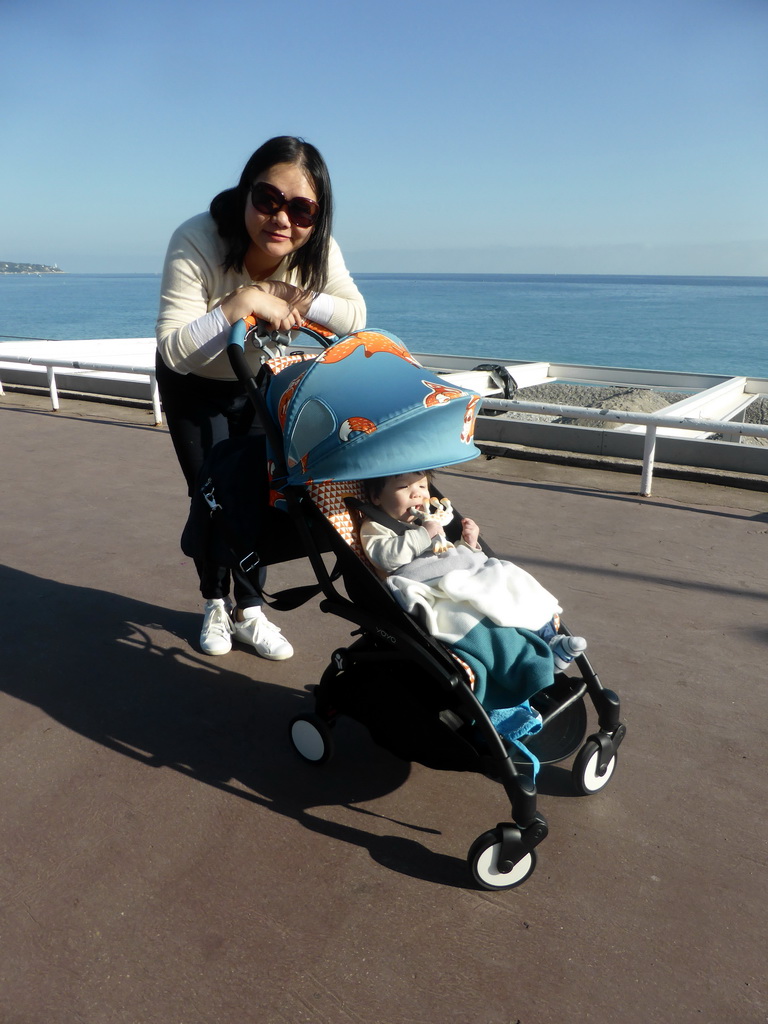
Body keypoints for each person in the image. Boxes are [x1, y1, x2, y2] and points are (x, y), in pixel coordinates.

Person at [156, 136, 366, 658]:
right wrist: (243, 300)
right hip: (194, 384)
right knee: (212, 496)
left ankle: (250, 609)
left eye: (301, 209)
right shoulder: (198, 238)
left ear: (318, 217)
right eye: (267, 199)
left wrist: (295, 296)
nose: (281, 220)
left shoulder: (317, 251)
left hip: (259, 382)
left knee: (262, 493)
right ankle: (214, 603)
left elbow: (354, 316)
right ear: (246, 191)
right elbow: (175, 347)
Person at [357, 471, 587, 747]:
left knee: (508, 580)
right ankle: (526, 669)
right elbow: (386, 557)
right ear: (375, 497)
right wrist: (424, 533)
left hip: (457, 571)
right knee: (478, 622)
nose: (416, 493)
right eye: (404, 488)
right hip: (429, 586)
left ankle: (549, 637)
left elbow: (445, 552)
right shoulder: (376, 526)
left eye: (421, 486)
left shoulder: (430, 518)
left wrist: (469, 544)